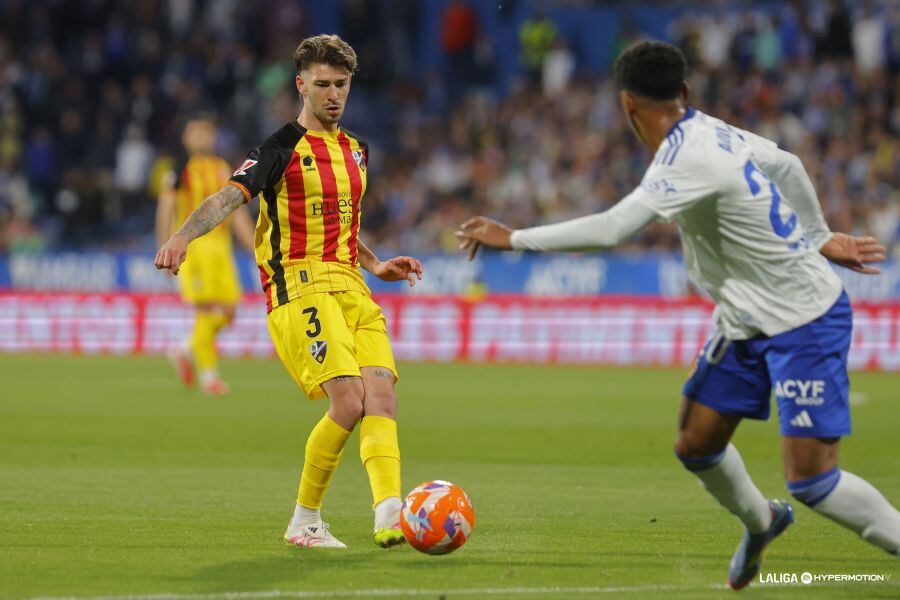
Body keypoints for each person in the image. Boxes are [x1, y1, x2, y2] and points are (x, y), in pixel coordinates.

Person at [456, 40, 898, 589]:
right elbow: (789, 164)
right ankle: (762, 522)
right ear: (683, 92)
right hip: (745, 320)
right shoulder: (711, 129)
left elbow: (614, 229)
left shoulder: (686, 157)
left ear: (627, 103)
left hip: (803, 317)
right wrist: (819, 234)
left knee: (812, 479)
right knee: (696, 444)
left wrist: (514, 238)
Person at [155, 34, 423, 549]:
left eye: (341, 84)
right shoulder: (278, 149)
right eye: (322, 85)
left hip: (353, 287)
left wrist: (376, 263)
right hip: (300, 288)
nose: (333, 95)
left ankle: (390, 514)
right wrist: (182, 236)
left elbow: (341, 222)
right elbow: (226, 199)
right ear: (301, 84)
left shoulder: (357, 151)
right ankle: (305, 520)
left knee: (382, 397)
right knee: (349, 401)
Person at [155, 114, 256, 395]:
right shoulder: (178, 169)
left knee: (230, 310)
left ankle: (184, 349)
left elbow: (236, 213)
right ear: (186, 138)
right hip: (193, 249)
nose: (201, 137)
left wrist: (255, 248)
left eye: (206, 132)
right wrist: (164, 248)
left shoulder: (222, 168)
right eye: (196, 132)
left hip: (222, 249)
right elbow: (165, 208)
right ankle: (210, 377)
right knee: (207, 310)